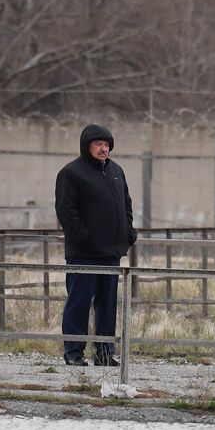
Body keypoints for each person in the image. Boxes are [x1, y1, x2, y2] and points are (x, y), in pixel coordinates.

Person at [55, 123, 136, 367]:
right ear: (86, 146)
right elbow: (66, 212)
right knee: (79, 302)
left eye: (107, 145)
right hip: (84, 253)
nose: (104, 149)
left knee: (108, 304)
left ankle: (104, 352)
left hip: (111, 253)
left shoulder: (116, 171)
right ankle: (74, 352)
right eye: (98, 145)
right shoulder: (71, 173)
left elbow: (126, 205)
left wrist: (128, 233)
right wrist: (84, 237)